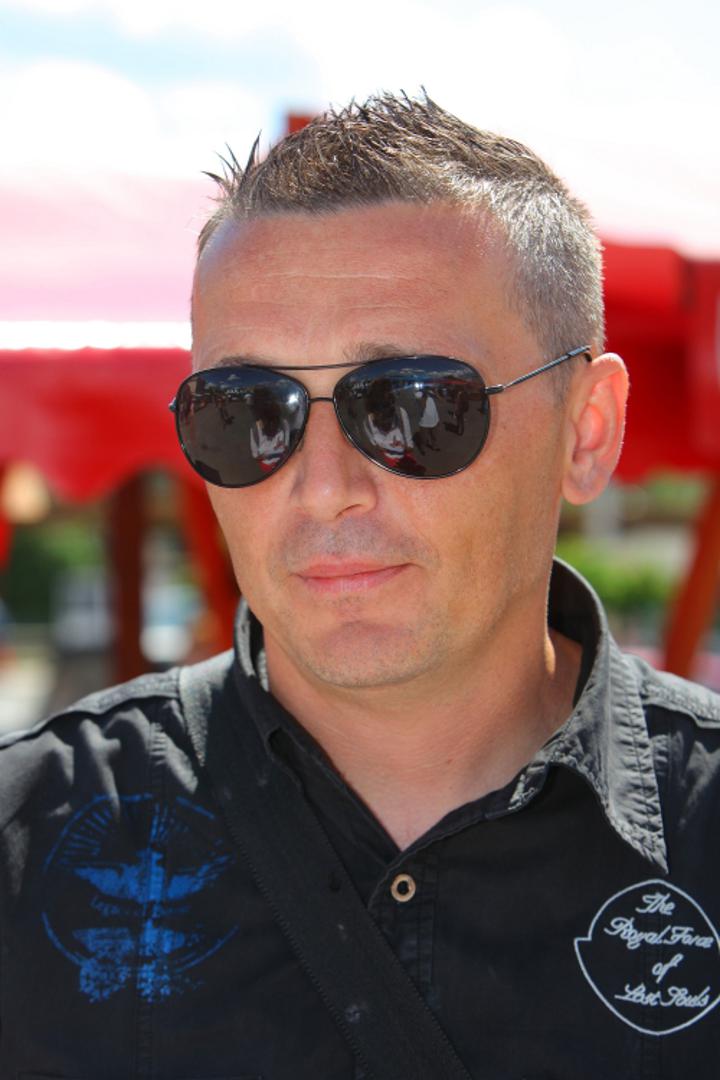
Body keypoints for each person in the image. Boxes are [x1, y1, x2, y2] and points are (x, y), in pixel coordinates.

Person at [2, 93, 719, 1079]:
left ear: (587, 431)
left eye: (411, 407)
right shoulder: (27, 839)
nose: (322, 487)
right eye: (247, 414)